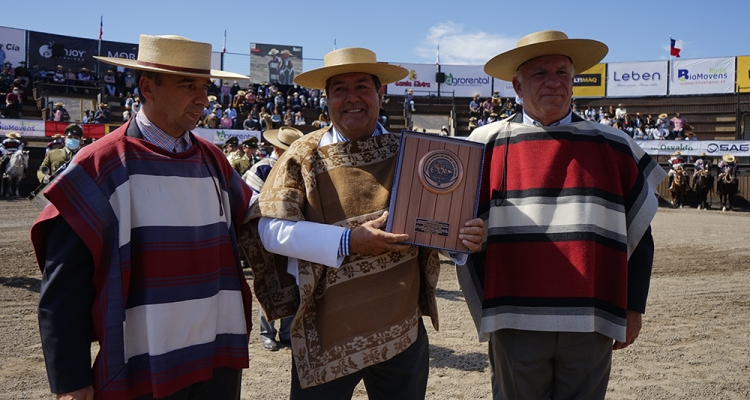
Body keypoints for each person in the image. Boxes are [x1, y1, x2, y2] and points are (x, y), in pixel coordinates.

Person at [242, 47, 484, 399]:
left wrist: (464, 237)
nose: (351, 98)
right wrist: (349, 241)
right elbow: (270, 230)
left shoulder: (414, 152)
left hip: (401, 329)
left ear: (379, 93)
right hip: (326, 330)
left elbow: (439, 223)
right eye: (339, 89)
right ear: (326, 98)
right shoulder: (301, 155)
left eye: (361, 87)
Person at [30, 34, 253, 400]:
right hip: (145, 365)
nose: (203, 98)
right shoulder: (99, 166)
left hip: (216, 358)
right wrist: (70, 379)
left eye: (205, 86)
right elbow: (64, 285)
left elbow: (260, 220)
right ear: (148, 87)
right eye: (188, 85)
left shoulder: (214, 160)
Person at [461, 30, 665, 400]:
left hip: (591, 317)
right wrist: (465, 239)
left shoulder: (614, 145)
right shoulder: (482, 144)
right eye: (540, 73)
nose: (553, 82)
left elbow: (640, 233)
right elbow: (453, 227)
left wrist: (634, 308)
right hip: (513, 315)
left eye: (562, 72)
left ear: (574, 81)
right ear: (517, 85)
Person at [241, 126, 304, 352]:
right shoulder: (262, 169)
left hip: (292, 233)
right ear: (278, 148)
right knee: (270, 281)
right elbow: (249, 199)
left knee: (292, 281)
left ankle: (287, 332)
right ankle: (267, 333)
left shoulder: (298, 168)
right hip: (266, 232)